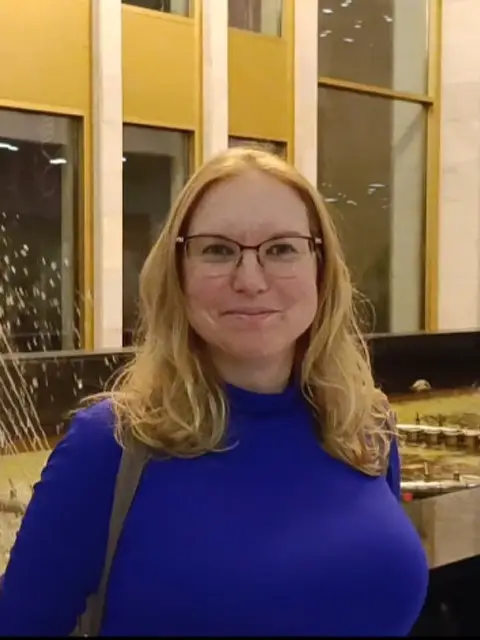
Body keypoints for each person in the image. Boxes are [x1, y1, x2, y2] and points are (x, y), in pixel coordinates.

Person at [0, 147, 428, 636]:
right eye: (218, 250)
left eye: (281, 249)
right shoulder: (110, 447)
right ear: (177, 273)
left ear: (321, 268)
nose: (250, 280)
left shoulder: (365, 428)